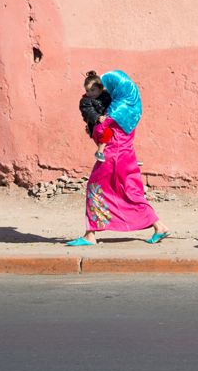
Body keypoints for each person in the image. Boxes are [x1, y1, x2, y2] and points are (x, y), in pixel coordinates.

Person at [66, 70, 170, 246]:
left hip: (113, 155)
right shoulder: (131, 107)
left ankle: (90, 235)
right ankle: (159, 226)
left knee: (95, 187)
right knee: (130, 190)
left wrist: (94, 129)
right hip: (127, 155)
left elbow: (101, 131)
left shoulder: (114, 110)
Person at [79, 71, 112, 162]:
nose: (89, 93)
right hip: (95, 125)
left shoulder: (107, 95)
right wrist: (97, 117)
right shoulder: (85, 100)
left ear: (101, 88)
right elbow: (88, 112)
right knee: (107, 132)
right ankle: (99, 151)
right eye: (87, 90)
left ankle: (128, 156)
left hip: (107, 122)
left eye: (92, 90)